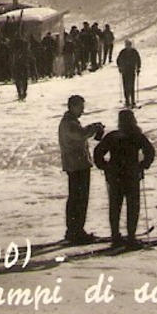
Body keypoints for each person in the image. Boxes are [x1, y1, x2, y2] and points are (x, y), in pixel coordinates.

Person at [93, 108, 155, 247]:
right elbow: (150, 152)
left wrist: (105, 166)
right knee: (133, 206)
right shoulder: (137, 135)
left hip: (115, 174)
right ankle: (131, 237)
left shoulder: (113, 136)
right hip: (131, 174)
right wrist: (143, 165)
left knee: (115, 206)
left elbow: (98, 152)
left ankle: (115, 236)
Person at [59, 96, 106, 244]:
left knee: (77, 198)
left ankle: (75, 229)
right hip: (76, 164)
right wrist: (93, 128)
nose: (82, 110)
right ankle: (76, 231)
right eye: (80, 107)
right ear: (72, 107)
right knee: (79, 198)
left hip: (76, 164)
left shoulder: (71, 122)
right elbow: (80, 134)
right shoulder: (69, 123)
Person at [116, 39, 142, 107]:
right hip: (125, 71)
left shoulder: (134, 52)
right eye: (127, 45)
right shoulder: (123, 52)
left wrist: (138, 68)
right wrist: (120, 67)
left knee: (131, 86)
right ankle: (127, 100)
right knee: (125, 86)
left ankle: (132, 101)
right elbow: (118, 60)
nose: (128, 46)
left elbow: (138, 60)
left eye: (129, 45)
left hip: (131, 70)